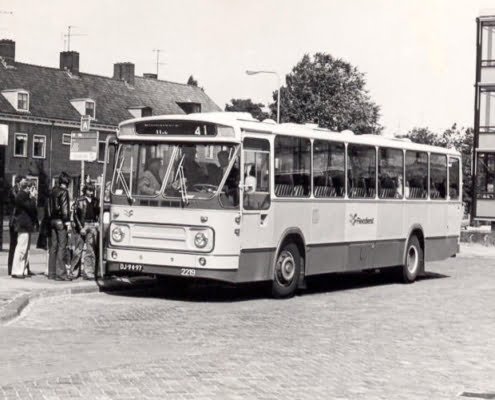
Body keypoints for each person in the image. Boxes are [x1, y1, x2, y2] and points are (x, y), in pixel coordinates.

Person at [11, 180, 38, 279]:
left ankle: (23, 269)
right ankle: (17, 270)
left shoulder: (24, 196)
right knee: (21, 248)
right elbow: (30, 207)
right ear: (28, 187)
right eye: (33, 187)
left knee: (26, 249)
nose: (34, 190)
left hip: (26, 225)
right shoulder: (22, 196)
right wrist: (33, 197)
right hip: (23, 225)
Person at [72, 184, 100, 280]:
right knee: (78, 250)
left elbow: (98, 213)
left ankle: (89, 272)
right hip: (82, 225)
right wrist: (80, 228)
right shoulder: (79, 200)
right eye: (89, 190)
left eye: (92, 190)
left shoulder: (96, 201)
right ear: (85, 190)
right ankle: (74, 272)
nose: (91, 192)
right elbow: (75, 215)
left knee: (90, 250)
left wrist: (97, 222)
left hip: (92, 225)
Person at [48, 173, 72, 281]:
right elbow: (65, 208)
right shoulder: (64, 192)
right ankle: (61, 273)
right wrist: (67, 221)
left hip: (52, 220)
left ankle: (51, 272)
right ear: (66, 182)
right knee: (62, 246)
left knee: (53, 247)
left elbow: (48, 206)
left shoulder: (52, 191)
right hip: (61, 222)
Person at [8, 175, 26, 276]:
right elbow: (18, 201)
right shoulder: (14, 190)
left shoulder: (20, 190)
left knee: (22, 245)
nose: (25, 184)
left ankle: (24, 267)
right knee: (13, 244)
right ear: (19, 182)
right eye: (24, 182)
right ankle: (11, 268)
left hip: (20, 220)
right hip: (14, 221)